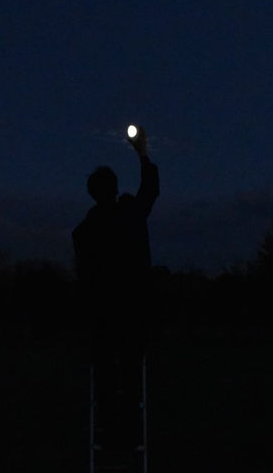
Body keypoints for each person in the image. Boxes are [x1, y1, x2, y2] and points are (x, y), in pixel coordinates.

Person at [72, 125, 159, 466]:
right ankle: (131, 437)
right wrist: (142, 153)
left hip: (102, 319)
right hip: (132, 314)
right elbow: (150, 190)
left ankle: (110, 439)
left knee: (107, 380)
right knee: (131, 379)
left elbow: (84, 278)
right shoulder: (129, 215)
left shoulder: (84, 232)